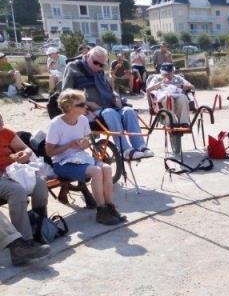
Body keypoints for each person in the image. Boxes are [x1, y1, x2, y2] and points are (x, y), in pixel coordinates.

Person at [45, 89, 125, 226]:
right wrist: (69, 145)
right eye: (81, 105)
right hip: (62, 163)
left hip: (80, 158)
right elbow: (49, 152)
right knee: (96, 171)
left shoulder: (82, 120)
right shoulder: (55, 124)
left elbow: (88, 140)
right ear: (69, 107)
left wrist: (83, 144)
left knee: (106, 168)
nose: (85, 107)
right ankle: (101, 210)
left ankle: (110, 206)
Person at [61, 46, 153, 160]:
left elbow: (110, 88)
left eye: (102, 65)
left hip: (107, 106)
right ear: (88, 55)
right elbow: (65, 94)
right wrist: (86, 103)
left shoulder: (99, 70)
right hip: (89, 112)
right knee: (110, 112)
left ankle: (140, 146)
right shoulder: (73, 67)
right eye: (96, 63)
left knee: (129, 111)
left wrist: (116, 96)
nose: (99, 67)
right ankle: (125, 150)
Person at [0, 113, 50, 255]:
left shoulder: (5, 132)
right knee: (16, 191)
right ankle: (24, 243)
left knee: (39, 183)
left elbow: (25, 148)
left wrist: (25, 154)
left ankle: (39, 228)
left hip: (13, 171)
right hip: (3, 177)